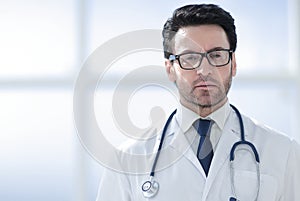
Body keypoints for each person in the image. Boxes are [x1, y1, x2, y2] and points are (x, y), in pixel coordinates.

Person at [96, 4, 300, 201]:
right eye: (190, 58)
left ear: (234, 64)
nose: (204, 70)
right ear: (170, 69)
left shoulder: (282, 152)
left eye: (216, 55)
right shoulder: (127, 160)